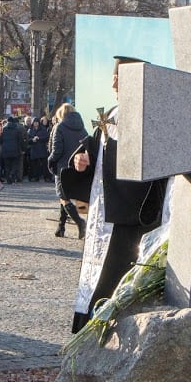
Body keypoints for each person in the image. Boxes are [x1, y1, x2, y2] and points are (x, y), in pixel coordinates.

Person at [67, 56, 167, 334]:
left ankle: (108, 330)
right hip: (102, 210)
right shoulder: (111, 113)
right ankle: (87, 327)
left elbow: (148, 167)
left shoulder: (148, 117)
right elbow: (91, 151)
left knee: (117, 275)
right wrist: (81, 161)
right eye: (113, 78)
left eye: (119, 78)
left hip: (128, 214)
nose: (113, 83)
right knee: (95, 273)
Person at [47, 103, 88, 238]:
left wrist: (50, 160)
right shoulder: (82, 128)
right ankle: (61, 227)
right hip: (77, 167)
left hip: (63, 167)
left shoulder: (60, 127)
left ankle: (81, 223)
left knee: (63, 197)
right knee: (72, 197)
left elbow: (56, 150)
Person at [0, 115, 24, 183]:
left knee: (7, 165)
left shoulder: (3, 129)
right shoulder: (17, 129)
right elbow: (21, 140)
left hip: (5, 150)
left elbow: (1, 139)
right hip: (15, 149)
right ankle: (12, 174)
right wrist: (22, 148)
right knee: (15, 164)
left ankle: (8, 179)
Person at [27, 115, 51, 181]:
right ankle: (35, 177)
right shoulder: (30, 130)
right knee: (34, 165)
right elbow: (27, 140)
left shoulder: (43, 129)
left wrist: (39, 138)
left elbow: (47, 138)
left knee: (44, 164)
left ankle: (46, 177)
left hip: (42, 149)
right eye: (34, 122)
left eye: (37, 122)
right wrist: (32, 140)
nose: (36, 123)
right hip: (34, 149)